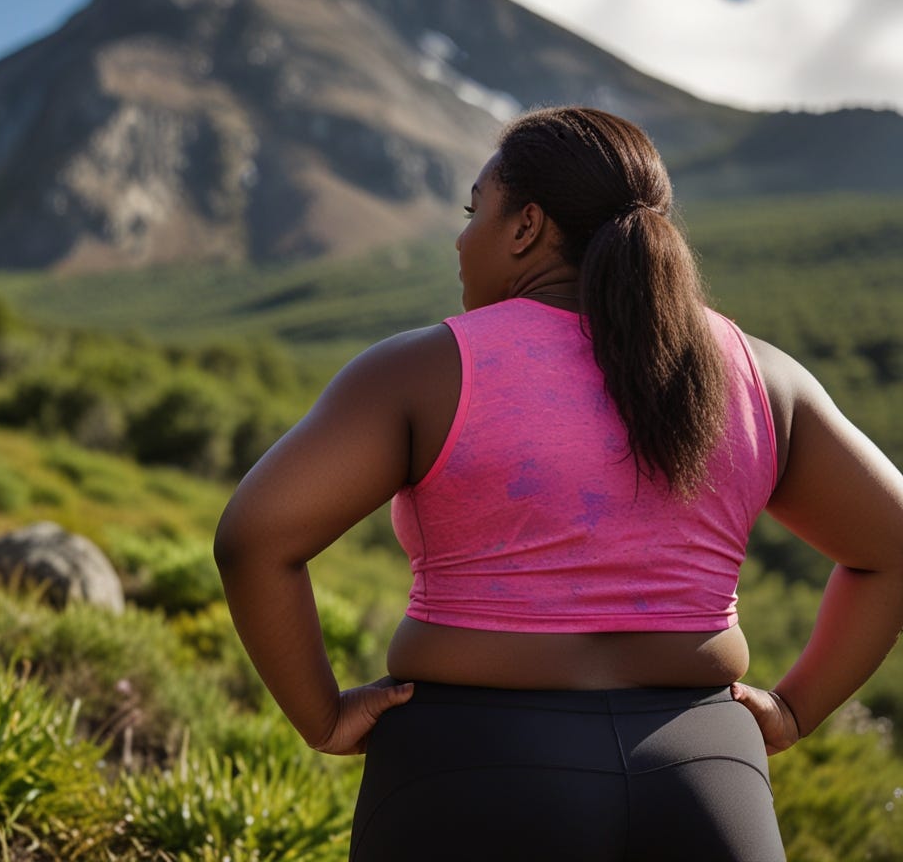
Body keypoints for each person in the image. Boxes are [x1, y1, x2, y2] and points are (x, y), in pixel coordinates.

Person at [213, 106, 903, 861]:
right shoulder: (761, 377)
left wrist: (322, 717)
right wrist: (796, 711)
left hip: (468, 769)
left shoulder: (423, 370)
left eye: (476, 210)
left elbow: (255, 539)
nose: (460, 236)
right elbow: (892, 546)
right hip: (706, 772)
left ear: (526, 228)